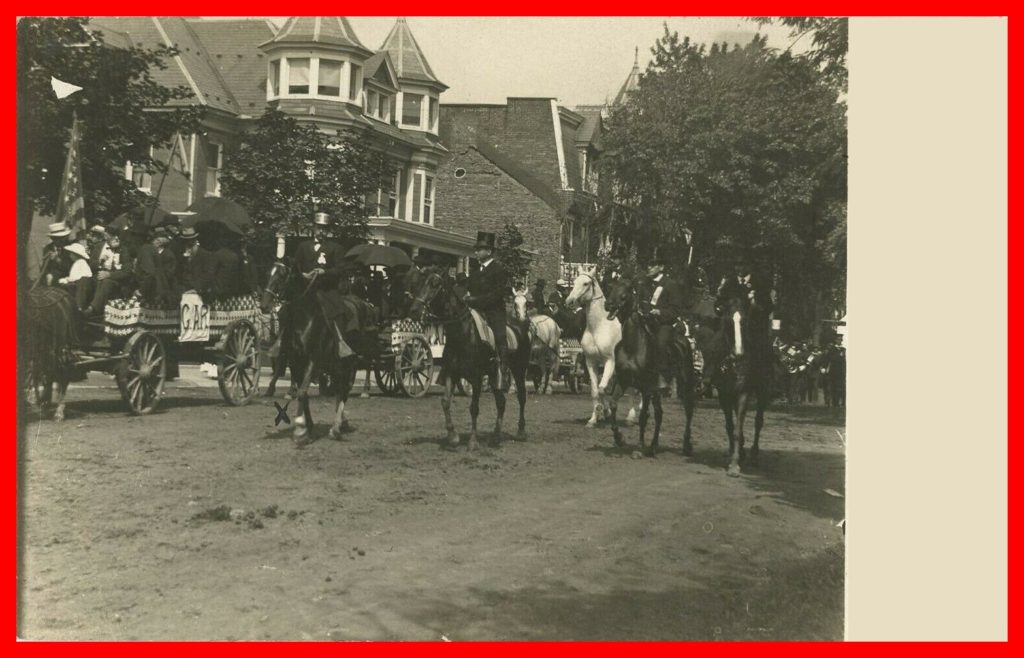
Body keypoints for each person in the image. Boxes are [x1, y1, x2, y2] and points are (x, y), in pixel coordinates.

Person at [295, 212, 360, 359]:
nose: (321, 231)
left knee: (336, 312)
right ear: (313, 228)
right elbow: (296, 267)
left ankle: (340, 343)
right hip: (305, 290)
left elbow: (340, 269)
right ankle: (281, 341)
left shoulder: (335, 248)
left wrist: (325, 272)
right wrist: (303, 275)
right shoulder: (303, 246)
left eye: (324, 228)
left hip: (326, 290)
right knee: (286, 310)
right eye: (319, 228)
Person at [464, 231, 509, 389]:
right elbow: (469, 288)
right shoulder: (475, 271)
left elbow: (497, 294)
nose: (476, 252)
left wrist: (477, 300)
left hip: (493, 311)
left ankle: (503, 369)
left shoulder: (498, 270)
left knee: (500, 336)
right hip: (475, 310)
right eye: (476, 249)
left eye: (479, 249)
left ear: (489, 251)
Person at [641, 250, 689, 393]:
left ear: (661, 267)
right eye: (649, 265)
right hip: (646, 320)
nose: (649, 268)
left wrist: (660, 312)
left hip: (664, 323)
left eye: (653, 265)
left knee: (660, 343)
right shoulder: (645, 283)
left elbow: (676, 309)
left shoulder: (670, 284)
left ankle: (663, 376)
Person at [58, 243, 94, 311]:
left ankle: (78, 307)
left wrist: (67, 279)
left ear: (76, 255)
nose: (70, 255)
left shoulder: (81, 262)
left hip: (84, 284)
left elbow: (78, 276)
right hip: (78, 282)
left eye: (71, 254)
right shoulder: (76, 263)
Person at [39, 222, 73, 286]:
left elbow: (70, 268)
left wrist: (57, 259)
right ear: (52, 238)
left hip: (66, 280)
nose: (59, 241)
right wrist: (48, 274)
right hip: (50, 279)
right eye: (56, 238)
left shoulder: (71, 248)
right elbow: (44, 267)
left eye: (61, 238)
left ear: (65, 237)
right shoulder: (48, 248)